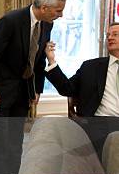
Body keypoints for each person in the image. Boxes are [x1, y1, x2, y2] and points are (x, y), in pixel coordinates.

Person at [0, 0, 66, 174]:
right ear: (44, 7)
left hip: (22, 91)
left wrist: (37, 88)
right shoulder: (10, 21)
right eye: (58, 10)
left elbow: (37, 59)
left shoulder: (47, 24)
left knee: (15, 140)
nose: (61, 14)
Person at [45, 22, 119, 157]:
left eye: (115, 34)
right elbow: (67, 88)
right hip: (101, 123)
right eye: (108, 35)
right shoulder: (90, 67)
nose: (109, 38)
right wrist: (52, 61)